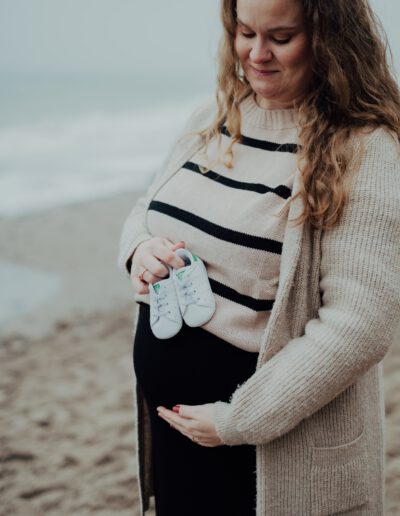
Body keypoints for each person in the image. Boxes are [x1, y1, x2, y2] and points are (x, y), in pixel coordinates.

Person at [118, 0, 400, 514]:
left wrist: (237, 421)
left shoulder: (364, 148)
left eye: (281, 37)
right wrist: (140, 250)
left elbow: (360, 324)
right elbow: (147, 206)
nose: (256, 53)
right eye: (245, 32)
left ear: (329, 38)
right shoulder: (217, 113)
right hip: (180, 434)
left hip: (269, 448)